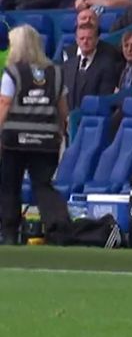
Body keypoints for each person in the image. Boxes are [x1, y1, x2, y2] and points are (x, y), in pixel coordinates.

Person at [0, 25, 70, 245]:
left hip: (14, 139)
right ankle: (58, 228)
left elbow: (4, 103)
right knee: (43, 185)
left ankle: (10, 233)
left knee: (10, 185)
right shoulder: (56, 72)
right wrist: (60, 131)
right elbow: (63, 109)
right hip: (46, 140)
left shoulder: (12, 72)